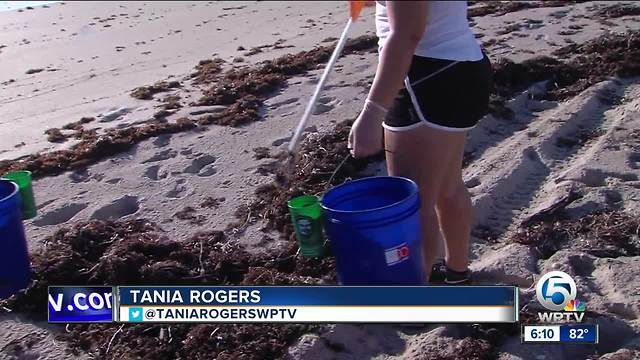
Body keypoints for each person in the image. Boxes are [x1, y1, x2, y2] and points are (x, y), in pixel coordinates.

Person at [348, 1, 492, 284]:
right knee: (448, 188)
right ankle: (458, 274)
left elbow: (407, 34)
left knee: (412, 205)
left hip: (427, 77)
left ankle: (414, 299)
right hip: (460, 66)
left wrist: (372, 112)